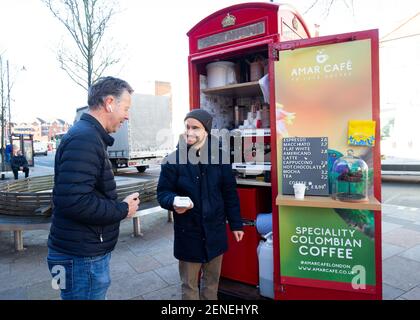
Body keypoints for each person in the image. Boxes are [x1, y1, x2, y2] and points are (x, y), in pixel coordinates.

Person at [47, 76, 140, 300]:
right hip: (81, 258)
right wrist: (122, 210)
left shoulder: (86, 135)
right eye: (125, 108)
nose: (127, 116)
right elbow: (75, 201)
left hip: (74, 253)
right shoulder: (86, 139)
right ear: (109, 103)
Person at [157, 109, 244, 300]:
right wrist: (173, 201)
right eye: (187, 127)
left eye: (195, 128)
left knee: (212, 284)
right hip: (188, 232)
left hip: (215, 231)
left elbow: (229, 193)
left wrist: (236, 223)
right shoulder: (173, 159)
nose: (189, 132)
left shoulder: (220, 157)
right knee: (189, 287)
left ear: (206, 130)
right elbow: (162, 193)